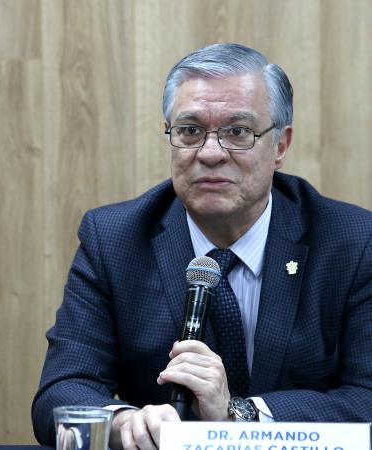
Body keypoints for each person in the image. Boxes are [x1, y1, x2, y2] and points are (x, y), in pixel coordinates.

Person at [31, 43, 372, 449]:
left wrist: (239, 415)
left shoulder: (351, 241)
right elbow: (62, 388)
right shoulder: (115, 239)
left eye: (238, 132)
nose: (210, 153)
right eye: (190, 131)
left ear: (280, 146)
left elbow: (366, 398)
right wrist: (125, 424)